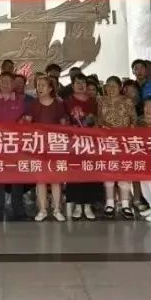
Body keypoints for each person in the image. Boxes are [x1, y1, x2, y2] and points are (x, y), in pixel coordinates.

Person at [22, 76, 67, 222]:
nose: (39, 88)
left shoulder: (58, 104)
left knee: (55, 179)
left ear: (50, 88)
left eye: (43, 85)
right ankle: (42, 209)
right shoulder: (33, 104)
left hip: (54, 145)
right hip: (39, 145)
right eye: (38, 85)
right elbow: (27, 124)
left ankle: (57, 209)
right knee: (41, 179)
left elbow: (63, 125)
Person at [0, 72, 28, 221]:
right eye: (2, 81)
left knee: (17, 179)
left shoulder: (21, 101)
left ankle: (18, 211)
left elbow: (24, 121)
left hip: (16, 144)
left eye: (8, 81)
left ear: (13, 84)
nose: (5, 84)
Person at [98, 76, 137, 220]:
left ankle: (125, 204)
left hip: (124, 142)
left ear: (120, 87)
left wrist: (127, 134)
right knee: (109, 171)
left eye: (114, 86)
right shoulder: (101, 101)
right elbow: (99, 120)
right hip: (107, 141)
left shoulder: (127, 101)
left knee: (124, 172)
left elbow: (134, 120)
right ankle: (109, 203)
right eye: (108, 86)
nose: (111, 89)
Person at [64, 74, 100, 220]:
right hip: (74, 143)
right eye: (77, 83)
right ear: (72, 86)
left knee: (90, 172)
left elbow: (97, 120)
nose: (80, 85)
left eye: (83, 82)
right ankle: (78, 205)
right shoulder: (67, 101)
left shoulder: (93, 101)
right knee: (75, 174)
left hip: (90, 143)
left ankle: (88, 205)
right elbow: (64, 121)